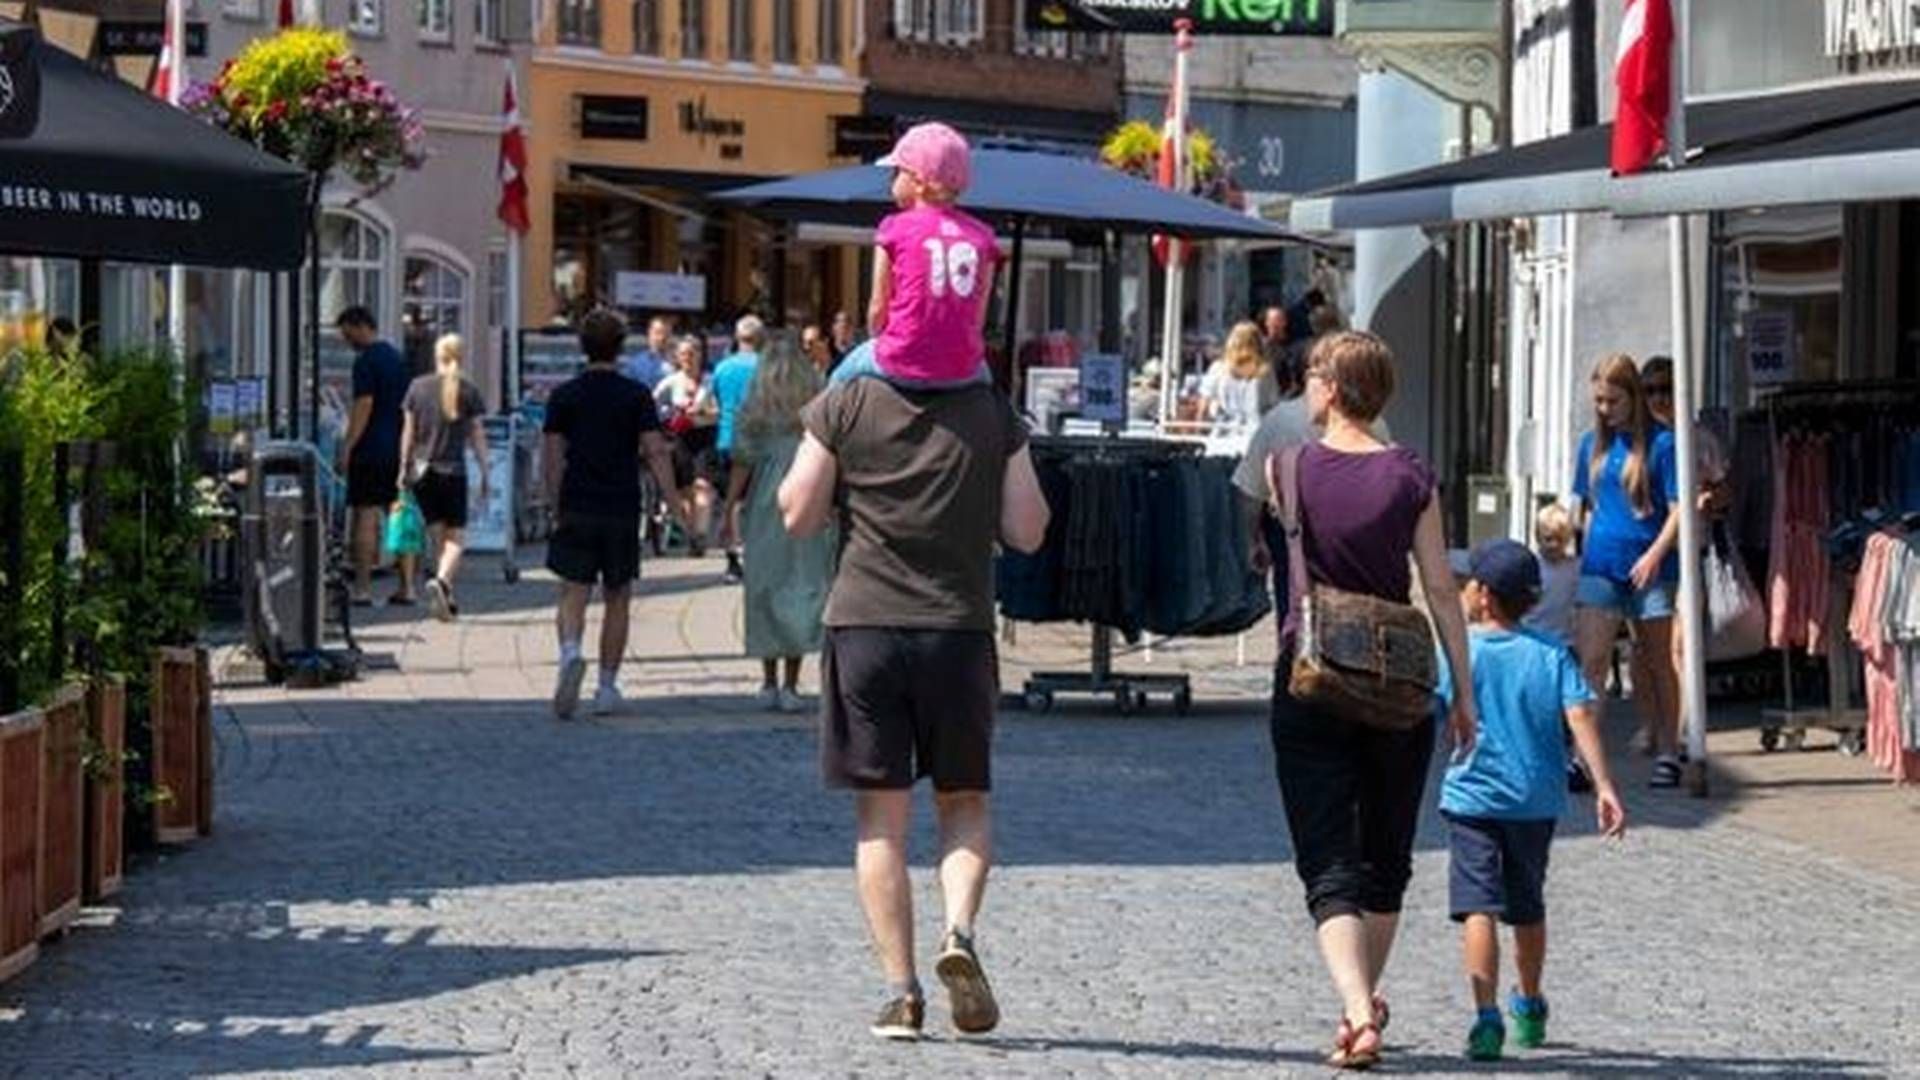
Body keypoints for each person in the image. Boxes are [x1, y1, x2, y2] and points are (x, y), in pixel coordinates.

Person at [778, 347, 1050, 1044]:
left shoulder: (848, 401)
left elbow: (798, 514)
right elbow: (1028, 529)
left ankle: (902, 995)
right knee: (963, 801)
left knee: (881, 823)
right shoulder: (992, 410)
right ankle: (958, 929)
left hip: (866, 626)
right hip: (956, 630)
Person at [1265, 331, 1476, 1071]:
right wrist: (1465, 693)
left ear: (1328, 388)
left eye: (1314, 374)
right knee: (1386, 859)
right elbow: (1442, 590)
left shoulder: (1285, 468)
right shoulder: (1412, 476)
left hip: (1312, 674)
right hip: (1397, 682)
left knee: (1328, 858)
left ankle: (1358, 1010)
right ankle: (1360, 1009)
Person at [1438, 539, 1625, 1063]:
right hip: (1534, 802)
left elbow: (1423, 709)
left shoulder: (1459, 651)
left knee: (1477, 905)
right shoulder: (1550, 653)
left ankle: (1487, 1016)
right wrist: (1604, 784)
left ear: (1483, 595)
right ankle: (1531, 1002)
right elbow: (1581, 717)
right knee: (1527, 905)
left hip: (1471, 797)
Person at [542, 309, 685, 720]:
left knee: (573, 588)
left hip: (577, 501)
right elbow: (656, 451)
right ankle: (606, 685)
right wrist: (674, 505)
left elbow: (552, 458)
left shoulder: (564, 395)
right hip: (621, 503)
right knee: (618, 595)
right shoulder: (635, 395)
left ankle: (570, 651)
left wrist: (555, 503)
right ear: (622, 347)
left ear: (582, 346)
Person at [1571, 354, 1684, 787]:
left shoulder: (1663, 444)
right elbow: (1584, 505)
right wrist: (1571, 542)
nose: (1604, 410)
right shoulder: (1591, 445)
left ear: (1632, 397)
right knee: (1592, 661)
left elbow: (1677, 512)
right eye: (1598, 401)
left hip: (1650, 566)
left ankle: (1669, 749)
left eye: (1612, 401)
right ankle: (1585, 757)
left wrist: (1655, 554)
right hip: (1601, 564)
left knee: (1656, 661)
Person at [829, 122, 999, 389]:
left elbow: (877, 307)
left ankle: (817, 428)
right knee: (994, 397)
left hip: (899, 359)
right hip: (962, 367)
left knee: (838, 379)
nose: (891, 180)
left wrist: (879, 340)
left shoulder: (894, 227)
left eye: (897, 172)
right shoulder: (983, 237)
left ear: (919, 182)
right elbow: (978, 316)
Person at [724, 332, 835, 713]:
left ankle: (767, 680)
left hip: (767, 496)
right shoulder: (817, 398)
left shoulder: (755, 404)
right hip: (809, 489)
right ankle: (791, 681)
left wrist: (727, 511)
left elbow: (741, 460)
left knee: (765, 582)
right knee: (804, 582)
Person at [1631, 355, 1728, 757]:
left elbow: (1725, 490)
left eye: (1666, 389)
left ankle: (1685, 727)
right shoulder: (1638, 441)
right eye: (1650, 390)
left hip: (1689, 550)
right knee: (1643, 649)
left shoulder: (1698, 438)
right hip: (1644, 554)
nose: (1659, 398)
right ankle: (1651, 724)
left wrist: (1707, 499)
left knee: (1680, 644)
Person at [396, 333, 490, 623]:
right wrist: (485, 469)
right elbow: (476, 434)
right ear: (461, 357)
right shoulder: (468, 390)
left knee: (438, 537)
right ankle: (443, 584)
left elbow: (408, 432)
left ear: (436, 356)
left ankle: (445, 597)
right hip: (454, 471)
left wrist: (403, 467)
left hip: (423, 471)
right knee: (456, 539)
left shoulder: (416, 388)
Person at [336, 306, 416, 607]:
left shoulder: (365, 361)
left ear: (360, 326)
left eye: (347, 334)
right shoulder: (397, 358)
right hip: (398, 445)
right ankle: (407, 587)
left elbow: (363, 406)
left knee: (365, 516)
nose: (347, 341)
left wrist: (348, 446)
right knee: (400, 514)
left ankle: (363, 588)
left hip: (370, 449)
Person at [654, 336, 720, 557]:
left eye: (692, 353)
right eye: (683, 354)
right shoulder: (671, 382)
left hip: (706, 435)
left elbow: (723, 410)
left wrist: (703, 413)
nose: (688, 359)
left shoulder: (711, 381)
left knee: (703, 486)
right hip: (680, 438)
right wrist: (668, 416)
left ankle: (700, 534)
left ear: (701, 355)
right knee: (685, 491)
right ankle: (691, 534)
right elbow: (653, 404)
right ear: (677, 358)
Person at [711, 314, 765, 583]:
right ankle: (755, 555)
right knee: (759, 501)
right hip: (760, 441)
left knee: (731, 501)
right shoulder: (767, 368)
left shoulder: (722, 368)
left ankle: (732, 560)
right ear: (761, 339)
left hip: (727, 439)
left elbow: (718, 402)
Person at [1198, 321, 1280, 434]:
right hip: (1255, 433)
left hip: (1224, 432)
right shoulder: (1265, 372)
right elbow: (1273, 406)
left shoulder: (1218, 369)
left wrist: (1200, 431)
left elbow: (1203, 407)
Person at [1525, 504, 1581, 647]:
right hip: (1532, 638)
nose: (1553, 545)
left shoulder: (1574, 568)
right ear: (1537, 537)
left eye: (1559, 539)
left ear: (1568, 539)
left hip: (1564, 641)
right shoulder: (1531, 567)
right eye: (1548, 539)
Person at [620, 315, 676, 390]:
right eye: (657, 333)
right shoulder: (635, 364)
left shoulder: (678, 364)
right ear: (649, 333)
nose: (661, 338)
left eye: (666, 333)